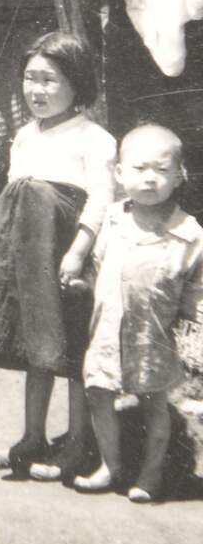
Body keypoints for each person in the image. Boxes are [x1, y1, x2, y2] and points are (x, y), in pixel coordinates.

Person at [0, 31, 116, 484]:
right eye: (30, 79)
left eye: (49, 80)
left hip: (68, 255)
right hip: (27, 259)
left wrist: (76, 254)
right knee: (37, 348)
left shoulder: (94, 137)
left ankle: (75, 444)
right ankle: (33, 436)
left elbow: (100, 201)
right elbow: (15, 198)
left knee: (70, 350)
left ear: (76, 82)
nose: (37, 90)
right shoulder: (23, 137)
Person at [75, 125, 203, 503]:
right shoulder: (112, 222)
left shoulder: (189, 234)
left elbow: (196, 292)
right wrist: (83, 287)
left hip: (153, 336)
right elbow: (97, 270)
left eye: (162, 170)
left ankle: (151, 472)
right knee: (98, 393)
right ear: (119, 173)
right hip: (106, 332)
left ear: (179, 175)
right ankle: (110, 465)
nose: (150, 178)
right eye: (140, 168)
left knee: (154, 402)